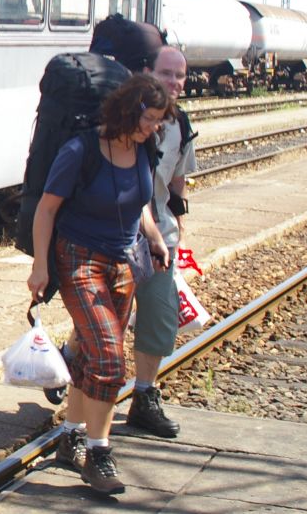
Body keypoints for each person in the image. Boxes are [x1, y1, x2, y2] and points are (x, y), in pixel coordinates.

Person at [27, 73, 170, 495]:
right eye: (151, 118)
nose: (155, 127)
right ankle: (99, 454)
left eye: (161, 120)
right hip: (80, 261)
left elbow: (139, 200)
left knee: (91, 354)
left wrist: (156, 237)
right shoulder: (80, 150)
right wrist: (40, 266)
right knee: (109, 360)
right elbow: (46, 210)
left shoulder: (143, 148)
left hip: (124, 262)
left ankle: (69, 437)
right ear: (129, 111)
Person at [126, 45, 196, 437]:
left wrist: (179, 229)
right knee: (109, 320)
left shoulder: (180, 124)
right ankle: (71, 361)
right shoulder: (131, 119)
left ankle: (144, 396)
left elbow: (176, 182)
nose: (174, 82)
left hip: (160, 239)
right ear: (148, 71)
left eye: (180, 76)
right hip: (122, 235)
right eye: (167, 73)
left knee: (158, 317)